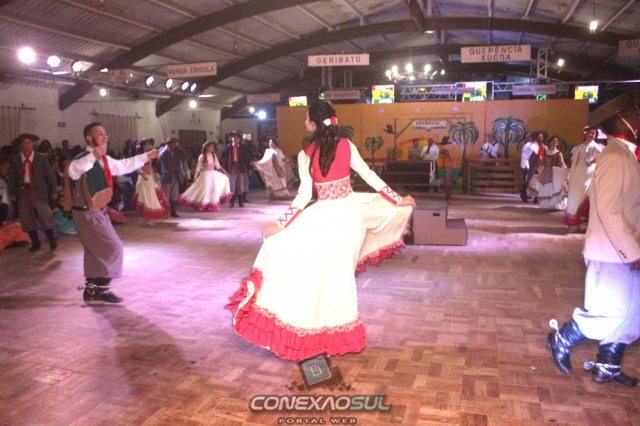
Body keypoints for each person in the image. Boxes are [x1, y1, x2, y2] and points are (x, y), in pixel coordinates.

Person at [225, 100, 415, 361]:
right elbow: (369, 176)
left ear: (314, 124)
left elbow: (303, 196)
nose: (305, 122)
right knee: (341, 277)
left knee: (321, 275)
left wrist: (280, 225)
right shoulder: (346, 145)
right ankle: (339, 333)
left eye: (307, 118)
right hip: (349, 218)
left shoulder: (305, 154)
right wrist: (397, 199)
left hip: (324, 217)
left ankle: (313, 330)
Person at [547, 94, 640, 387]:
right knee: (610, 313)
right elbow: (609, 211)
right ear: (620, 121)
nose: (639, 119)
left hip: (624, 247)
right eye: (635, 114)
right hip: (612, 250)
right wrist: (633, 252)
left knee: (632, 314)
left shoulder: (626, 155)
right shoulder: (614, 158)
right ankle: (563, 338)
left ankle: (607, 365)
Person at [67, 122, 159, 303]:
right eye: (100, 133)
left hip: (97, 211)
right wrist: (93, 156)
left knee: (95, 251)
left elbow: (124, 165)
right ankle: (102, 288)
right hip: (87, 212)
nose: (105, 137)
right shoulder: (83, 158)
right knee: (113, 247)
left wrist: (146, 156)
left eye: (105, 133)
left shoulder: (105, 160)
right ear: (89, 138)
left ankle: (91, 290)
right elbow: (72, 171)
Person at [7, 133, 58, 252]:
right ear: (20, 145)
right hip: (22, 192)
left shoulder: (41, 158)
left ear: (33, 143)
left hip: (38, 191)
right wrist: (11, 192)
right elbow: (12, 177)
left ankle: (52, 240)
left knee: (45, 215)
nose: (27, 145)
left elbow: (50, 175)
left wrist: (54, 189)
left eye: (29, 142)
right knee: (26, 217)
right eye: (24, 143)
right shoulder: (16, 159)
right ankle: (35, 243)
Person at [563, 126, 604, 232]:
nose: (591, 135)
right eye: (589, 133)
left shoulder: (596, 147)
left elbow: (602, 157)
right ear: (585, 133)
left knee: (582, 196)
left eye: (593, 133)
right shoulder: (579, 147)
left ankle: (579, 222)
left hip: (587, 174)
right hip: (577, 173)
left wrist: (592, 161)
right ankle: (574, 223)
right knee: (574, 196)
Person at [178, 141, 232, 211]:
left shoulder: (214, 155)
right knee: (206, 190)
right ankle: (204, 205)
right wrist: (195, 177)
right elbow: (198, 167)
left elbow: (218, 166)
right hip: (205, 175)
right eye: (211, 146)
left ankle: (213, 205)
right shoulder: (202, 156)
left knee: (214, 189)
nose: (213, 148)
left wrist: (224, 172)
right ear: (207, 148)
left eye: (213, 146)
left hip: (213, 174)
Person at [133, 140, 169, 225]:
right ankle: (147, 219)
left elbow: (157, 154)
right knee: (148, 198)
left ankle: (146, 219)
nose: (148, 145)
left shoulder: (147, 154)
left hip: (149, 178)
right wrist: (143, 174)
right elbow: (136, 167)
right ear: (143, 146)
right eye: (147, 144)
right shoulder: (140, 156)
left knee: (149, 197)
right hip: (145, 178)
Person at [527, 136, 567, 210]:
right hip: (545, 172)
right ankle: (546, 205)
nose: (555, 142)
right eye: (553, 140)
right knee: (545, 188)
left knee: (554, 188)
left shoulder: (558, 153)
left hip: (554, 173)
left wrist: (566, 169)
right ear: (550, 142)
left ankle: (554, 205)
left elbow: (562, 163)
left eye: (556, 141)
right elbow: (542, 162)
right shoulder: (545, 152)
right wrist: (538, 167)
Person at [159, 137, 186, 218]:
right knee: (166, 195)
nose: (175, 145)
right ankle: (165, 212)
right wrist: (166, 148)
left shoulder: (177, 151)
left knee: (174, 195)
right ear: (169, 144)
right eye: (173, 143)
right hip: (167, 176)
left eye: (175, 143)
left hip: (176, 175)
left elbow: (183, 158)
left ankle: (173, 212)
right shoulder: (163, 150)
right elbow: (160, 157)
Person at [225, 131, 251, 207]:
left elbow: (246, 158)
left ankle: (240, 202)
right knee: (232, 184)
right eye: (233, 137)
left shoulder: (242, 147)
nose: (234, 138)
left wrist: (248, 168)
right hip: (232, 167)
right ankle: (232, 202)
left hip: (240, 167)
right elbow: (227, 159)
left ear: (239, 139)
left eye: (236, 137)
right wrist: (227, 169)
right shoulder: (229, 146)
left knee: (240, 184)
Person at [519, 133, 540, 202]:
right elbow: (525, 156)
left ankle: (533, 195)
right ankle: (524, 193)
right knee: (528, 179)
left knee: (533, 180)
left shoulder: (535, 145)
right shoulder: (528, 145)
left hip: (534, 165)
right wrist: (525, 165)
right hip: (528, 165)